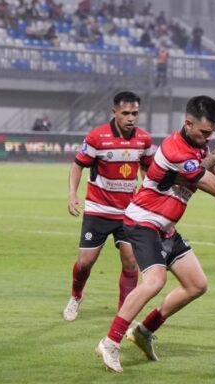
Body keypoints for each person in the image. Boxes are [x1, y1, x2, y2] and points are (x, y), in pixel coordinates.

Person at [94, 96, 215, 373]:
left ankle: (143, 331)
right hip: (143, 222)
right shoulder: (178, 153)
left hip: (165, 227)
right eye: (203, 132)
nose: (207, 138)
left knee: (196, 284)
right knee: (154, 281)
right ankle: (110, 342)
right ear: (187, 124)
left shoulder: (199, 146)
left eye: (211, 133)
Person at [64, 92, 153, 321]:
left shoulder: (144, 140)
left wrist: (149, 192)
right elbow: (77, 166)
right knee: (85, 262)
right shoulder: (97, 137)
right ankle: (76, 296)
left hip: (128, 211)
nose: (131, 118)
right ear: (114, 113)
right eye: (125, 113)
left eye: (134, 113)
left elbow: (147, 169)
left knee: (131, 262)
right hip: (98, 209)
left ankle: (125, 314)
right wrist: (72, 194)